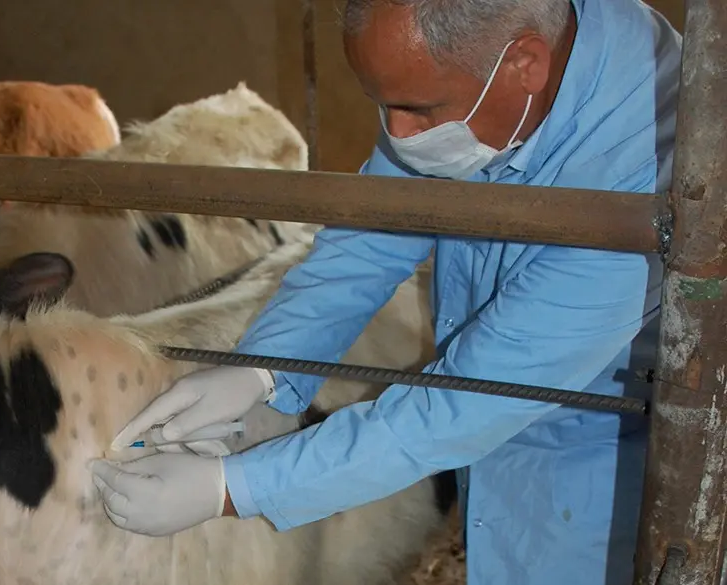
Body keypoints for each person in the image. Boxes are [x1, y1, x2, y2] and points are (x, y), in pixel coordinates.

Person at [90, 0, 681, 583]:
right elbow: (371, 239)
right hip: (499, 423)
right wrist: (264, 370)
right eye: (383, 105)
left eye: (417, 109)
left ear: (524, 63)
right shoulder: (480, 74)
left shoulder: (642, 174)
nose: (398, 135)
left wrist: (232, 488)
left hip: (605, 456)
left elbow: (463, 404)